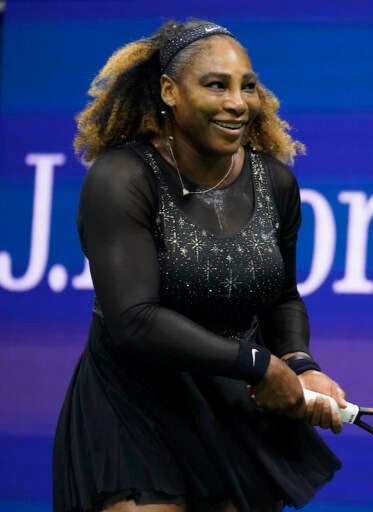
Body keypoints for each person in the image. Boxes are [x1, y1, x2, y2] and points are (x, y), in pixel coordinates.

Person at [53, 19, 347, 512]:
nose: (238, 103)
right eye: (217, 85)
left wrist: (300, 364)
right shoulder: (122, 178)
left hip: (236, 405)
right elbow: (134, 321)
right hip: (135, 404)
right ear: (170, 91)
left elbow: (280, 297)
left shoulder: (274, 182)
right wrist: (259, 365)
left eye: (247, 87)